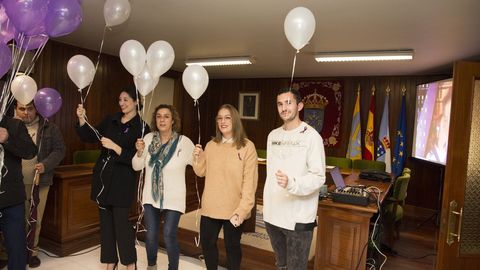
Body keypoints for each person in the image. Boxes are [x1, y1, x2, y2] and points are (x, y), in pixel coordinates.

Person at [76, 86, 149, 270]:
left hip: (123, 181)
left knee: (122, 225)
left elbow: (138, 160)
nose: (122, 103)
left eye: (126, 99)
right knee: (106, 225)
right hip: (103, 178)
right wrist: (81, 119)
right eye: (120, 99)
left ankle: (130, 263)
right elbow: (91, 136)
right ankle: (110, 261)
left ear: (135, 102)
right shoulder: (111, 119)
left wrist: (116, 148)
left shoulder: (142, 128)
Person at [263, 88, 326, 270]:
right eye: (280, 104)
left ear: (299, 106)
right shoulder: (272, 136)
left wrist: (292, 184)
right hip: (272, 215)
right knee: (281, 265)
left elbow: (318, 177)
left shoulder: (312, 137)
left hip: (298, 218)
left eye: (288, 103)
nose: (284, 108)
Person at [192, 104, 258, 270]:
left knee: (232, 247)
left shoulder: (247, 147)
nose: (223, 121)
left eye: (227, 117)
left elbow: (250, 184)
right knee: (207, 244)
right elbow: (201, 172)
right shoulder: (211, 145)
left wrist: (242, 211)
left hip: (234, 209)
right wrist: (198, 158)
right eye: (220, 118)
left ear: (235, 120)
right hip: (210, 207)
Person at [132, 104, 195, 270]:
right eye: (159, 116)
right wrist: (139, 153)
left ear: (173, 120)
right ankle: (151, 266)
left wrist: (201, 158)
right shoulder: (147, 139)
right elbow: (136, 166)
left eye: (166, 116)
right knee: (151, 236)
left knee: (168, 235)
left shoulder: (184, 142)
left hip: (174, 198)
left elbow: (199, 168)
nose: (162, 119)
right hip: (150, 197)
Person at [14, 100, 66, 268]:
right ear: (16, 109)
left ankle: (32, 252)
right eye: (22, 109)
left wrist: (45, 165)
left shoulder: (49, 127)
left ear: (36, 108)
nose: (26, 112)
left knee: (35, 219)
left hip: (40, 181)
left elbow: (60, 150)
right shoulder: (10, 126)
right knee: (15, 220)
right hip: (13, 183)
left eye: (30, 108)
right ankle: (13, 252)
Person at [0, 115, 37, 270]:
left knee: (16, 249)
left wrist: (8, 139)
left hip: (11, 199)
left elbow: (30, 151)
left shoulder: (14, 124)